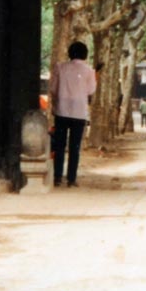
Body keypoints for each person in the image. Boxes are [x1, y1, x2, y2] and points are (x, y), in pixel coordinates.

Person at [49, 41, 97, 188]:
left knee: (59, 145)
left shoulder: (60, 67)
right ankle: (71, 179)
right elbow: (91, 90)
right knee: (74, 147)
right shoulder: (89, 71)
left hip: (61, 111)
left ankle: (57, 177)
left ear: (70, 53)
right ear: (85, 54)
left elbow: (53, 88)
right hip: (79, 112)